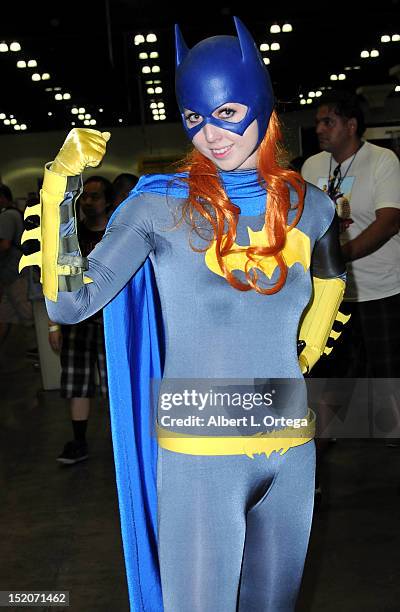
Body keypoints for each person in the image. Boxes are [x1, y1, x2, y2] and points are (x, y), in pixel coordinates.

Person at [21, 18, 346, 612]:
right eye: (195, 118)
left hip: (290, 449)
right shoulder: (156, 204)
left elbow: (331, 284)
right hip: (200, 456)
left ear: (262, 106)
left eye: (226, 113)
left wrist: (305, 351)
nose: (210, 135)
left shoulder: (311, 205)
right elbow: (72, 301)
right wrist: (59, 189)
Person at [302, 92, 400, 442]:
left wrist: (339, 257)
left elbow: (388, 221)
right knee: (329, 368)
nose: (319, 128)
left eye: (327, 121)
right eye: (317, 122)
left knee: (387, 372)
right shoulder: (312, 167)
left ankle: (391, 437)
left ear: (351, 125)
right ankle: (326, 439)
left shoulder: (381, 161)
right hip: (331, 292)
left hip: (381, 288)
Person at [48, 176, 111, 464]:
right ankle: (79, 442)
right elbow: (61, 279)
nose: (87, 201)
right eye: (85, 196)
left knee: (119, 383)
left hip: (114, 319)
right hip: (78, 319)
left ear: (107, 201)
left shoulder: (118, 234)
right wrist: (54, 324)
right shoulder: (73, 237)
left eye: (95, 196)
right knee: (77, 384)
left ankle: (129, 441)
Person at [0, 184, 32, 345]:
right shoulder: (14, 214)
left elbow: (4, 245)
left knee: (27, 313)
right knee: (5, 316)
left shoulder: (6, 216)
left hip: (14, 273)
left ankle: (39, 349)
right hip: (12, 273)